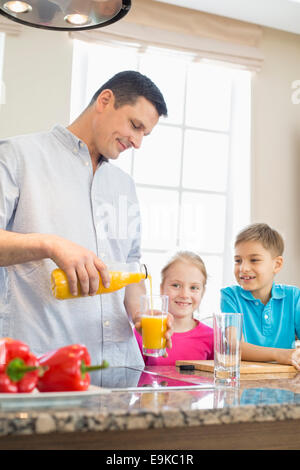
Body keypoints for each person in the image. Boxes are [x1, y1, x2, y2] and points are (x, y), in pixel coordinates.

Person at [0, 70, 173, 371]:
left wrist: (140, 316)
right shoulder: (18, 156)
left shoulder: (125, 186)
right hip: (43, 374)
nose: (137, 142)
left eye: (145, 134)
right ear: (105, 100)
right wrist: (49, 244)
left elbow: (131, 266)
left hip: (120, 374)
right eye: (135, 125)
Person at [220, 223, 300, 369]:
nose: (243, 268)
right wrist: (281, 355)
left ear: (277, 264)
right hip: (243, 383)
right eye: (238, 260)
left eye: (254, 260)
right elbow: (235, 346)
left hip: (285, 384)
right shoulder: (230, 296)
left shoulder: (294, 297)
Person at [134, 251, 214, 365]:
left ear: (203, 292)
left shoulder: (212, 338)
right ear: (162, 289)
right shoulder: (142, 332)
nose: (184, 294)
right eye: (176, 285)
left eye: (194, 287)